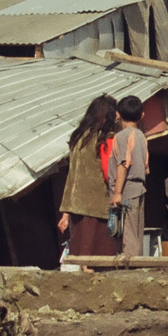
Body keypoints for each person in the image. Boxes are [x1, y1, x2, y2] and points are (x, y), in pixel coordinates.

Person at [58, 95, 120, 258]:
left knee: (81, 249)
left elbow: (71, 175)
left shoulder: (78, 138)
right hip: (97, 202)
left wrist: (66, 212)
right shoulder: (104, 139)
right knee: (99, 253)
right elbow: (109, 173)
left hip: (77, 203)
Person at [111, 95, 149, 256]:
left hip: (127, 188)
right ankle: (136, 261)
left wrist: (117, 192)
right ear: (142, 116)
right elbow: (146, 166)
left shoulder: (122, 136)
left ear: (118, 114)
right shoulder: (141, 135)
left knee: (127, 230)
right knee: (137, 230)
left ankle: (130, 264)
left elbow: (123, 164)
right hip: (140, 187)